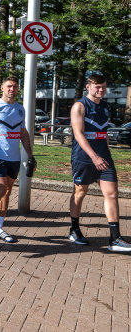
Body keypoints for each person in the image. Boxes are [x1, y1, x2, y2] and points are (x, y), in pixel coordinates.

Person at [68, 74, 131, 251]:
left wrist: (105, 154)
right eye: (97, 87)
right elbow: (79, 134)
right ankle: (74, 229)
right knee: (80, 192)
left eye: (103, 86)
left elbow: (102, 133)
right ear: (88, 87)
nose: (101, 90)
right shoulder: (79, 106)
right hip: (84, 158)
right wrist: (94, 157)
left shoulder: (104, 106)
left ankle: (115, 238)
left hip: (104, 158)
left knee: (112, 194)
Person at [0, 76, 34, 243]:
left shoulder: (20, 109)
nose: (12, 89)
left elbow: (23, 133)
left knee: (7, 192)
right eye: (9, 86)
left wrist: (30, 155)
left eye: (15, 86)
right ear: (2, 88)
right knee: (1, 188)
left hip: (14, 159)